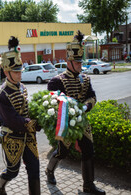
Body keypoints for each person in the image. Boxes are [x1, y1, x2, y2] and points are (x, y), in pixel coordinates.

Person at [45, 31, 105, 195]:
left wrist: (85, 107)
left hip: (82, 122)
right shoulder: (57, 81)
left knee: (89, 150)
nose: (79, 64)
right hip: (66, 124)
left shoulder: (86, 79)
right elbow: (52, 102)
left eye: (80, 61)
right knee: (62, 152)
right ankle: (49, 170)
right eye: (76, 61)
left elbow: (92, 96)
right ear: (68, 61)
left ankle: (88, 185)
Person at [0, 36, 41, 195]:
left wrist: (40, 117)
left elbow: (26, 110)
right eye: (16, 71)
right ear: (7, 72)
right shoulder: (2, 94)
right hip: (13, 137)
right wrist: (33, 123)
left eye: (20, 70)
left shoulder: (23, 87)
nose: (20, 73)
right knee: (13, 171)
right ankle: (0, 184)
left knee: (34, 168)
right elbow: (12, 120)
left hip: (29, 136)